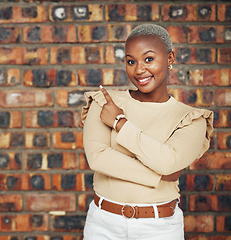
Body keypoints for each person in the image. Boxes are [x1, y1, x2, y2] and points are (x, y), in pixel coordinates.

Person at [81, 24, 213, 240]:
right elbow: (97, 158)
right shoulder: (105, 101)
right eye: (131, 61)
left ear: (170, 58)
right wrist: (159, 173)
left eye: (148, 59)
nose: (139, 69)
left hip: (159, 228)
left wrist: (119, 123)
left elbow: (170, 165)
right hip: (103, 224)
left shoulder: (190, 118)